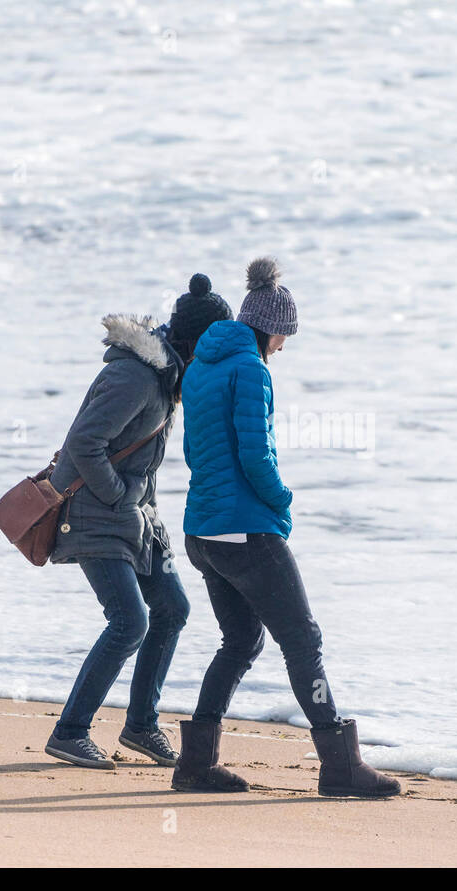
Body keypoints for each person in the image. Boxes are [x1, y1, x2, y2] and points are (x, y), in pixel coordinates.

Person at [171, 257, 400, 798]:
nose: (283, 347)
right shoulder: (250, 368)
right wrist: (282, 500)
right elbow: (256, 453)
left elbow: (196, 451)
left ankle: (196, 764)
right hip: (246, 529)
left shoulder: (200, 366)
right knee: (303, 640)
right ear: (269, 326)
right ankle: (340, 766)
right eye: (283, 336)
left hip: (203, 532)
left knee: (240, 641)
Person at [43, 277, 233, 770]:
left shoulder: (167, 376)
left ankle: (141, 726)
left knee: (172, 608)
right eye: (216, 346)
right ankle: (69, 732)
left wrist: (145, 511)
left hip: (135, 519)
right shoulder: (135, 378)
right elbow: (85, 443)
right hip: (94, 515)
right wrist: (123, 496)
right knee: (130, 621)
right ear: (197, 343)